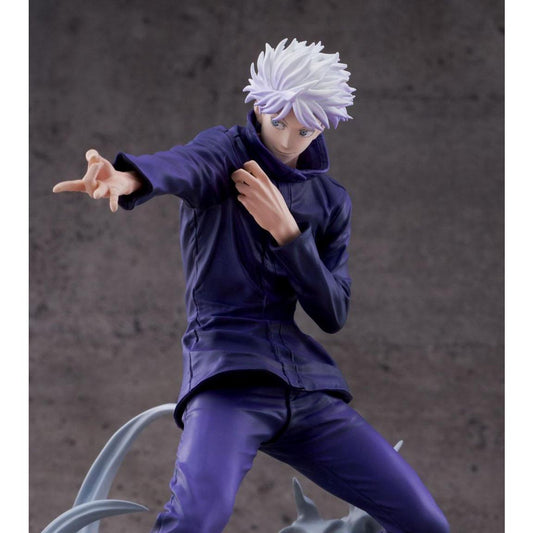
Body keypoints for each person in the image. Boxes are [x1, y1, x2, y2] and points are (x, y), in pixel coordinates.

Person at [53, 38, 449, 533]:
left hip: (306, 388)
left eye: (305, 130)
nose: (287, 141)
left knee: (425, 522)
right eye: (279, 122)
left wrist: (288, 234)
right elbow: (182, 165)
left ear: (323, 127)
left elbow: (333, 312)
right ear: (259, 107)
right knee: (195, 519)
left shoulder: (329, 200)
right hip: (228, 377)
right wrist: (128, 179)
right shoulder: (225, 156)